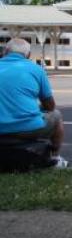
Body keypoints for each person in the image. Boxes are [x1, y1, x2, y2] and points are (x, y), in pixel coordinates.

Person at [0, 38, 66, 166]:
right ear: (28, 55)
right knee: (56, 116)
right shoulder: (36, 69)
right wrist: (37, 107)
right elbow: (50, 106)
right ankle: (56, 158)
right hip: (27, 128)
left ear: (4, 51)